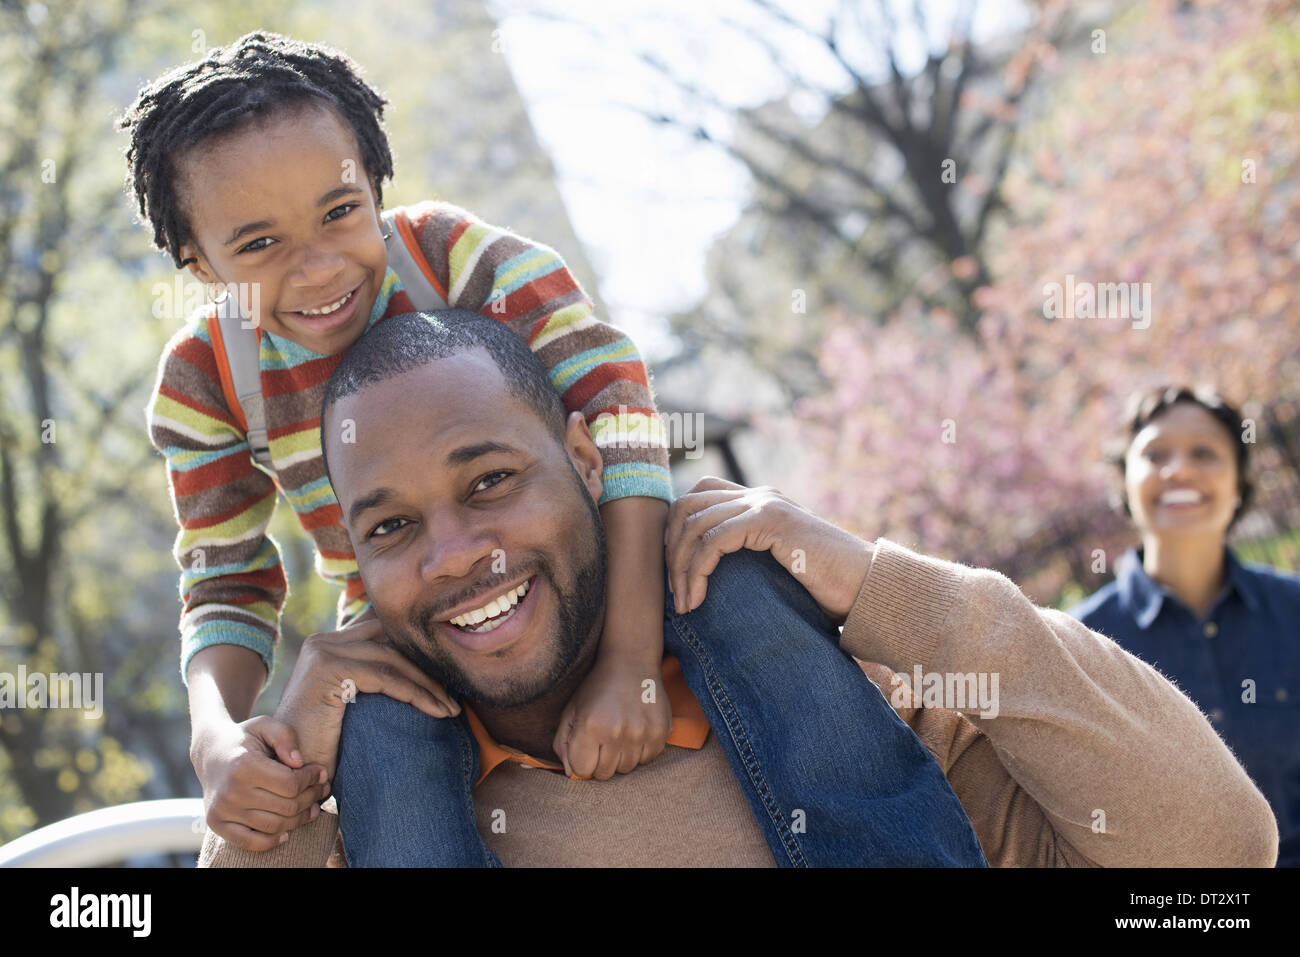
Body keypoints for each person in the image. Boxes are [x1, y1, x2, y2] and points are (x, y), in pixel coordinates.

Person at [121, 32, 981, 866]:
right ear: (198, 262)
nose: (315, 268)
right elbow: (225, 577)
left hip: (605, 552)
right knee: (379, 740)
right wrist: (215, 741)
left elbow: (623, 419)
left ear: (377, 187)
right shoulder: (207, 381)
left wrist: (632, 660)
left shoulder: (458, 262)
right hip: (416, 618)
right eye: (259, 245)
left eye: (340, 213)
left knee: (743, 587)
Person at [198, 312, 1278, 867]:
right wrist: (280, 787)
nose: (450, 551)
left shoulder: (852, 715)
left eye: (489, 480)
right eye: (392, 526)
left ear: (588, 459)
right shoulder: (383, 821)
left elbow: (1216, 853)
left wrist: (877, 583)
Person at [1069, 385, 1300, 867]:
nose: (1179, 470)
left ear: (1239, 483)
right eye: (1155, 454)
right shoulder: (1079, 647)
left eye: (1205, 452)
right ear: (1125, 485)